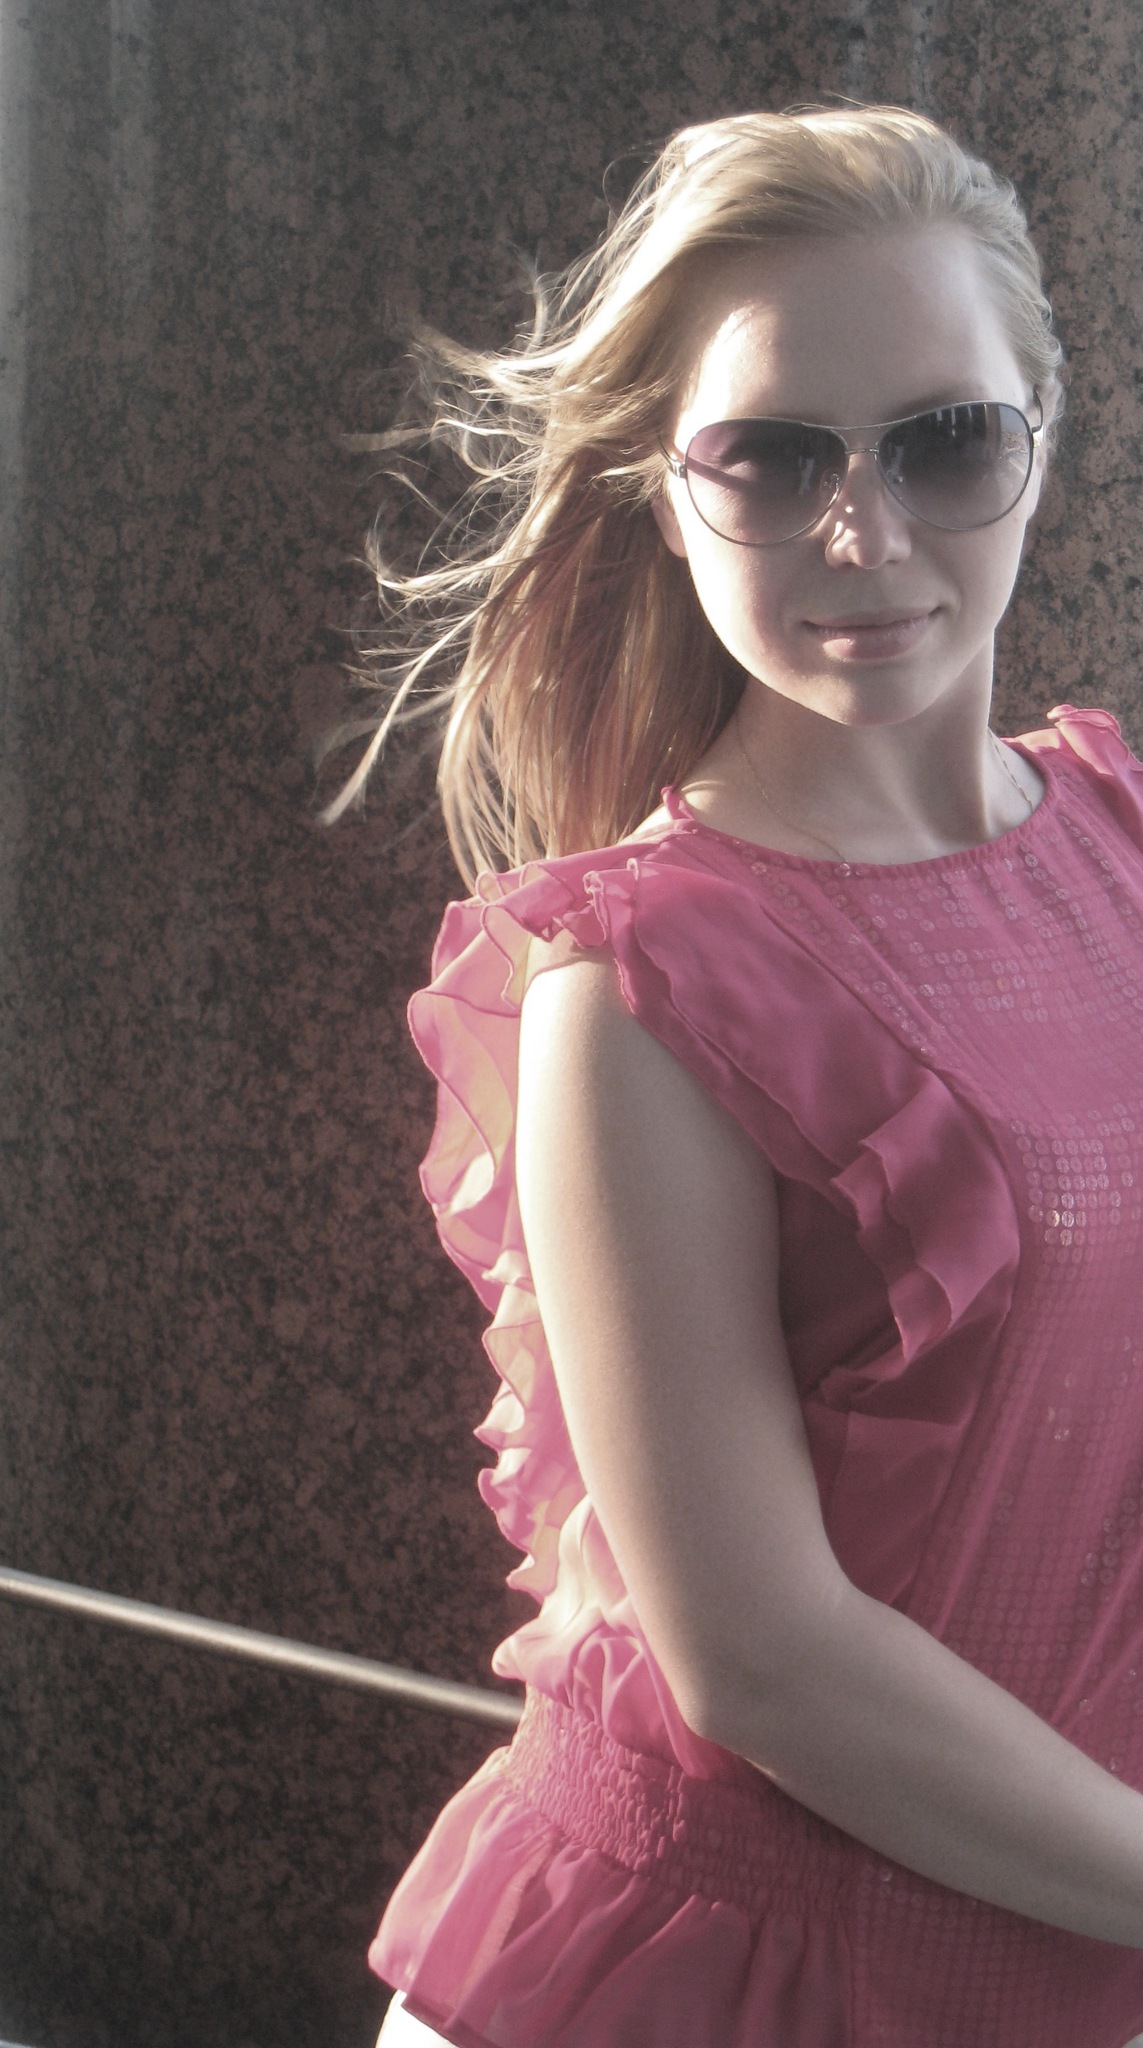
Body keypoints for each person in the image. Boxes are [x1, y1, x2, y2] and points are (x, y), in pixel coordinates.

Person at [347, 103, 1143, 2046]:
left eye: (943, 441)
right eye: (772, 459)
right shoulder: (638, 984)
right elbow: (762, 1663)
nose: (864, 535)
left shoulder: (1120, 833)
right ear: (662, 485)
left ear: (1042, 433)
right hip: (718, 1983)